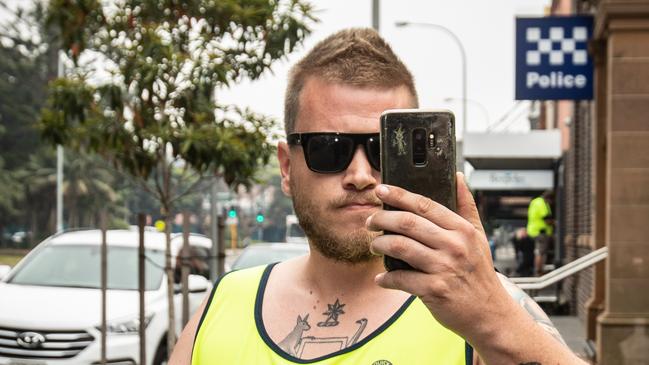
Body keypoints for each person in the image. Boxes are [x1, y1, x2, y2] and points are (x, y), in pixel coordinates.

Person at [170, 28, 586, 365]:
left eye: (382, 150)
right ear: (286, 167)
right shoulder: (222, 306)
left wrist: (493, 320)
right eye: (327, 148)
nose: (359, 176)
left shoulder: (479, 303)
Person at [527, 190, 555, 276]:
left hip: (533, 231)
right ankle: (539, 272)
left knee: (538, 251)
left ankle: (538, 271)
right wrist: (554, 223)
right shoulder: (542, 203)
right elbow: (546, 219)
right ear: (549, 199)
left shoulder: (535, 201)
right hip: (541, 232)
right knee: (541, 252)